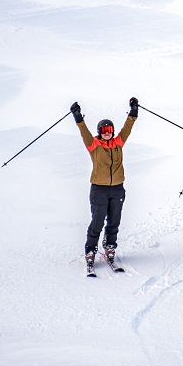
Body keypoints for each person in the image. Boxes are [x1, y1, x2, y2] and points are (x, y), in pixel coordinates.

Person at [70, 97, 138, 267]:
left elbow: (127, 129)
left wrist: (133, 112)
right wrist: (78, 117)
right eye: (104, 129)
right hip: (99, 189)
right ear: (99, 131)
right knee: (97, 221)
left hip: (117, 188)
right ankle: (90, 249)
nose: (107, 132)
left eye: (110, 129)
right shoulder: (94, 144)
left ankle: (110, 245)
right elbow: (84, 131)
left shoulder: (118, 143)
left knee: (114, 220)